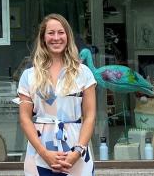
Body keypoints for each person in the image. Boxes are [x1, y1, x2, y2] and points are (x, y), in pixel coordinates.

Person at [17, 14, 97, 176]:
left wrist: (78, 151)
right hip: (39, 152)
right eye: (51, 33)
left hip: (76, 151)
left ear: (68, 36)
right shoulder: (29, 76)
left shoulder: (83, 73)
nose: (56, 38)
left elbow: (90, 116)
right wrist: (43, 152)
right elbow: (25, 118)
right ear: (43, 38)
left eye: (61, 32)